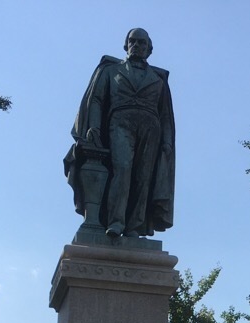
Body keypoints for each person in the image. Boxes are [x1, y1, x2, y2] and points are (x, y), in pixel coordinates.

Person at [66, 28, 175, 238]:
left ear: (149, 49)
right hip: (120, 122)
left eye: (142, 43)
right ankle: (116, 222)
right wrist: (94, 127)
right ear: (126, 45)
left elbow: (165, 115)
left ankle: (134, 226)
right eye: (133, 41)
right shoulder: (111, 70)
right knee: (123, 169)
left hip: (151, 127)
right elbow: (96, 100)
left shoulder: (158, 78)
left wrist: (167, 140)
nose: (137, 45)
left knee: (143, 178)